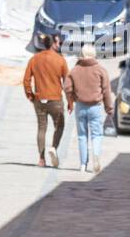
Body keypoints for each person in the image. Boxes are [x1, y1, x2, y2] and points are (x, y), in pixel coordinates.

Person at [23, 33, 69, 168]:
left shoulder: (34, 59)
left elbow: (26, 80)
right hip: (55, 99)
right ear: (54, 44)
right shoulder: (60, 60)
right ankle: (53, 147)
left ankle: (41, 159)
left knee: (41, 128)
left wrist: (30, 95)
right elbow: (67, 82)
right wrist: (70, 101)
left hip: (39, 99)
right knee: (59, 126)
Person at [66, 43, 113, 173]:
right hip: (95, 107)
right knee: (96, 134)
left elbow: (67, 88)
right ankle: (96, 156)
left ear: (82, 54)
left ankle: (82, 164)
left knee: (82, 136)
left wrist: (71, 100)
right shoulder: (100, 70)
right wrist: (109, 109)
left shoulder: (75, 70)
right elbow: (106, 91)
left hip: (80, 106)